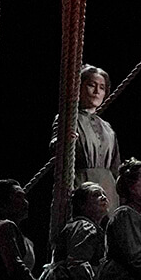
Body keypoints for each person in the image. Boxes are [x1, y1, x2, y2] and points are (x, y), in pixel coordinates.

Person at [50, 65, 122, 210]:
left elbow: (116, 166)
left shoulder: (107, 127)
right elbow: (55, 147)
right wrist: (64, 141)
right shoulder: (69, 118)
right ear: (79, 88)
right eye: (91, 85)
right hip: (82, 185)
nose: (97, 92)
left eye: (102, 87)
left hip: (109, 189)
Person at [40, 183, 109, 280]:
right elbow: (77, 264)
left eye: (104, 194)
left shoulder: (92, 228)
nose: (103, 197)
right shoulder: (84, 226)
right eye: (96, 195)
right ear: (82, 204)